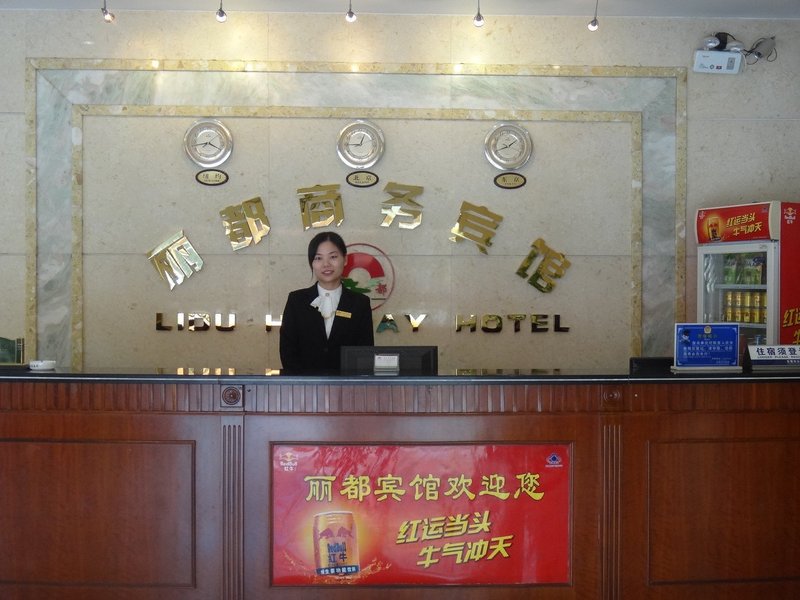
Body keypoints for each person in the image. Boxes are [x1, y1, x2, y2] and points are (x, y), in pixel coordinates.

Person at [279, 231, 374, 374]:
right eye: (318, 258)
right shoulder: (296, 300)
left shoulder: (360, 303)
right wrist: (302, 382)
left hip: (347, 384)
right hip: (304, 384)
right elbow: (287, 351)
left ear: (345, 259)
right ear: (312, 263)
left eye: (333, 257)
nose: (326, 264)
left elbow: (365, 352)